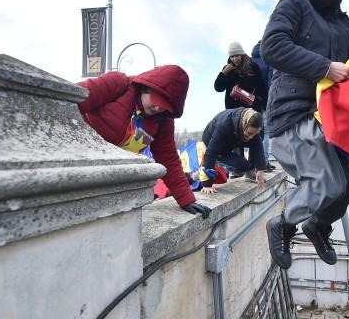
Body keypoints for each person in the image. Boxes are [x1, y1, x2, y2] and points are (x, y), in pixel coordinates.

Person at [261, 0, 349, 269]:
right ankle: (283, 225)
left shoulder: (348, 26)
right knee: (326, 184)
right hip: (294, 115)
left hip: (331, 120)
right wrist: (324, 67)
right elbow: (272, 47)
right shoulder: (294, 3)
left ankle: (317, 225)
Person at [77, 65, 212, 218]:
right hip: (81, 168)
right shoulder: (118, 83)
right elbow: (71, 100)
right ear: (146, 88)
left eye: (164, 107)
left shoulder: (163, 120)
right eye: (156, 101)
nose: (157, 108)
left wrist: (186, 199)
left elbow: (168, 159)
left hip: (113, 181)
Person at [199, 108, 266, 194]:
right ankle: (229, 171)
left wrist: (260, 169)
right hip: (215, 143)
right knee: (221, 158)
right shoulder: (224, 125)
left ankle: (249, 173)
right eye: (249, 133)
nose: (251, 137)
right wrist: (207, 184)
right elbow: (210, 154)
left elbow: (258, 147)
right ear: (244, 124)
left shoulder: (250, 124)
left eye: (254, 134)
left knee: (245, 165)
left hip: (234, 138)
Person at [214, 41, 265, 111]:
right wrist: (224, 72)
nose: (234, 59)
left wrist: (267, 107)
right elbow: (218, 88)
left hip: (251, 109)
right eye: (232, 56)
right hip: (233, 111)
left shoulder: (253, 67)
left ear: (242, 55)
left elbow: (261, 88)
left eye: (237, 55)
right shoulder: (227, 69)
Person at [250, 40, 275, 172]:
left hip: (251, 103)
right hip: (265, 102)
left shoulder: (249, 62)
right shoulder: (268, 61)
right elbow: (272, 83)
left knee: (253, 133)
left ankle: (256, 163)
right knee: (265, 132)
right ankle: (264, 163)